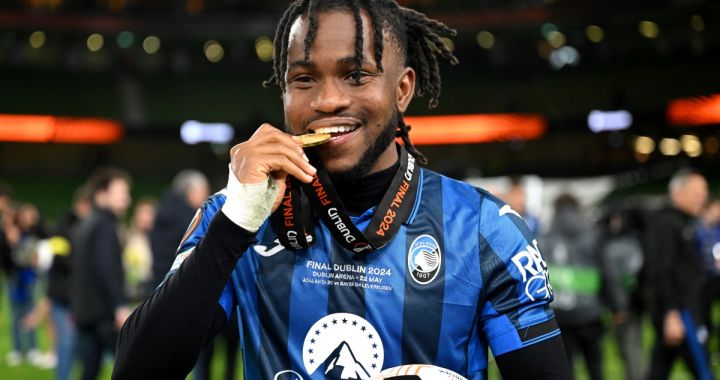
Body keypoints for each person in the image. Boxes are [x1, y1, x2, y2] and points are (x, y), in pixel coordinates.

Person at [114, 1, 571, 379]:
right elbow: (137, 371)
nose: (327, 100)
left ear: (403, 89)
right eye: (304, 79)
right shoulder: (236, 217)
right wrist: (236, 223)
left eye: (356, 75)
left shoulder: (485, 230)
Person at [645, 169, 711, 380]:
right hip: (681, 312)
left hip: (685, 309)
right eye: (698, 191)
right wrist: (671, 312)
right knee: (703, 371)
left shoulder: (683, 222)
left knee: (659, 369)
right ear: (678, 192)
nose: (703, 197)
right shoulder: (667, 223)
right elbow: (660, 270)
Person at [71, 168, 132, 380]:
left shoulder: (86, 223)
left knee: (89, 371)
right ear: (101, 194)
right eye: (122, 193)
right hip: (103, 314)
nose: (127, 199)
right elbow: (105, 268)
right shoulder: (105, 224)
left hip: (85, 312)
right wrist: (119, 306)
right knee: (132, 366)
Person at [541, 193, 605, 380]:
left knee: (565, 368)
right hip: (590, 312)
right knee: (595, 365)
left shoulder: (545, 235)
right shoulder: (592, 232)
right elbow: (605, 268)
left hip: (558, 313)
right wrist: (616, 304)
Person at [600, 209, 646, 380]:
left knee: (630, 349)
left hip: (626, 305)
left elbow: (616, 277)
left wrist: (619, 306)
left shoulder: (617, 244)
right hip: (633, 303)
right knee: (633, 347)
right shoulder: (636, 241)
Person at [150, 169, 209, 290]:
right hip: (177, 285)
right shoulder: (189, 219)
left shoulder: (164, 209)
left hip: (159, 281)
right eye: (205, 191)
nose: (208, 197)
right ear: (191, 192)